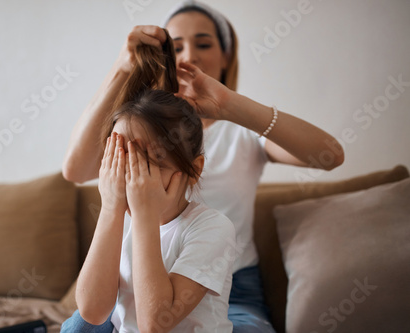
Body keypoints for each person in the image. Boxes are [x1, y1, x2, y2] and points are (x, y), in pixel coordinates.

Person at [62, 1, 344, 332]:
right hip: (137, 283)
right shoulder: (133, 130)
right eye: (176, 46)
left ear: (226, 56)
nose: (189, 55)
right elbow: (75, 171)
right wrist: (122, 68)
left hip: (226, 284)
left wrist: (228, 105)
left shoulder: (242, 134)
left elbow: (329, 155)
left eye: (204, 43)